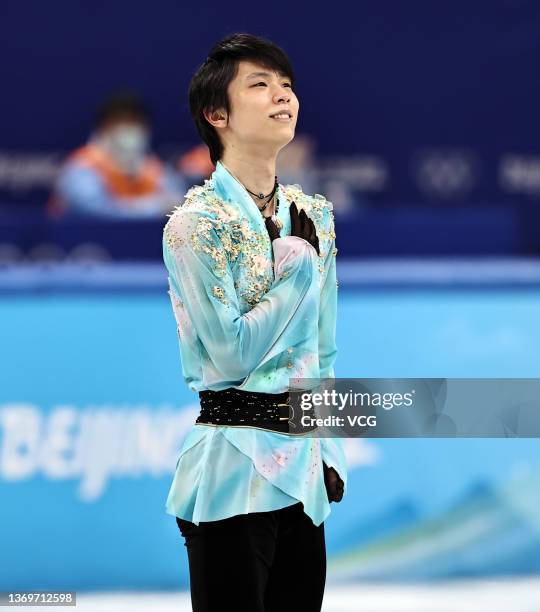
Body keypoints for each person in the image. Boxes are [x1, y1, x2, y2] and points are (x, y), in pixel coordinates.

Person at [163, 33, 346, 612]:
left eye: (286, 84)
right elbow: (232, 356)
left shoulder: (314, 214)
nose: (282, 96)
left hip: (302, 474)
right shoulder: (194, 225)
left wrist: (329, 450)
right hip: (230, 476)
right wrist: (296, 267)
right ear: (216, 115)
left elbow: (324, 347)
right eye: (260, 85)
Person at [48, 91, 184, 219]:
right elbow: (95, 209)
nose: (130, 128)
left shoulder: (150, 166)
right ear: (103, 127)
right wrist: (156, 207)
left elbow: (178, 199)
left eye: (136, 122)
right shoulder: (80, 166)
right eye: (121, 121)